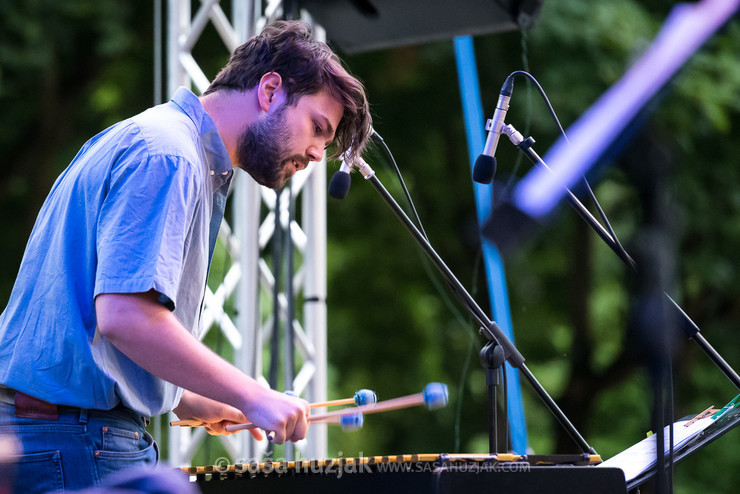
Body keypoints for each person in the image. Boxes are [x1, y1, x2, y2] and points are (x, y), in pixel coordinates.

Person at [0, 19, 372, 493]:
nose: (318, 154)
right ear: (270, 89)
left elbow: (88, 342)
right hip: (74, 440)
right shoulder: (169, 155)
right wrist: (253, 394)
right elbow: (125, 317)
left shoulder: (153, 140)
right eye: (317, 128)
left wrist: (201, 399)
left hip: (58, 433)